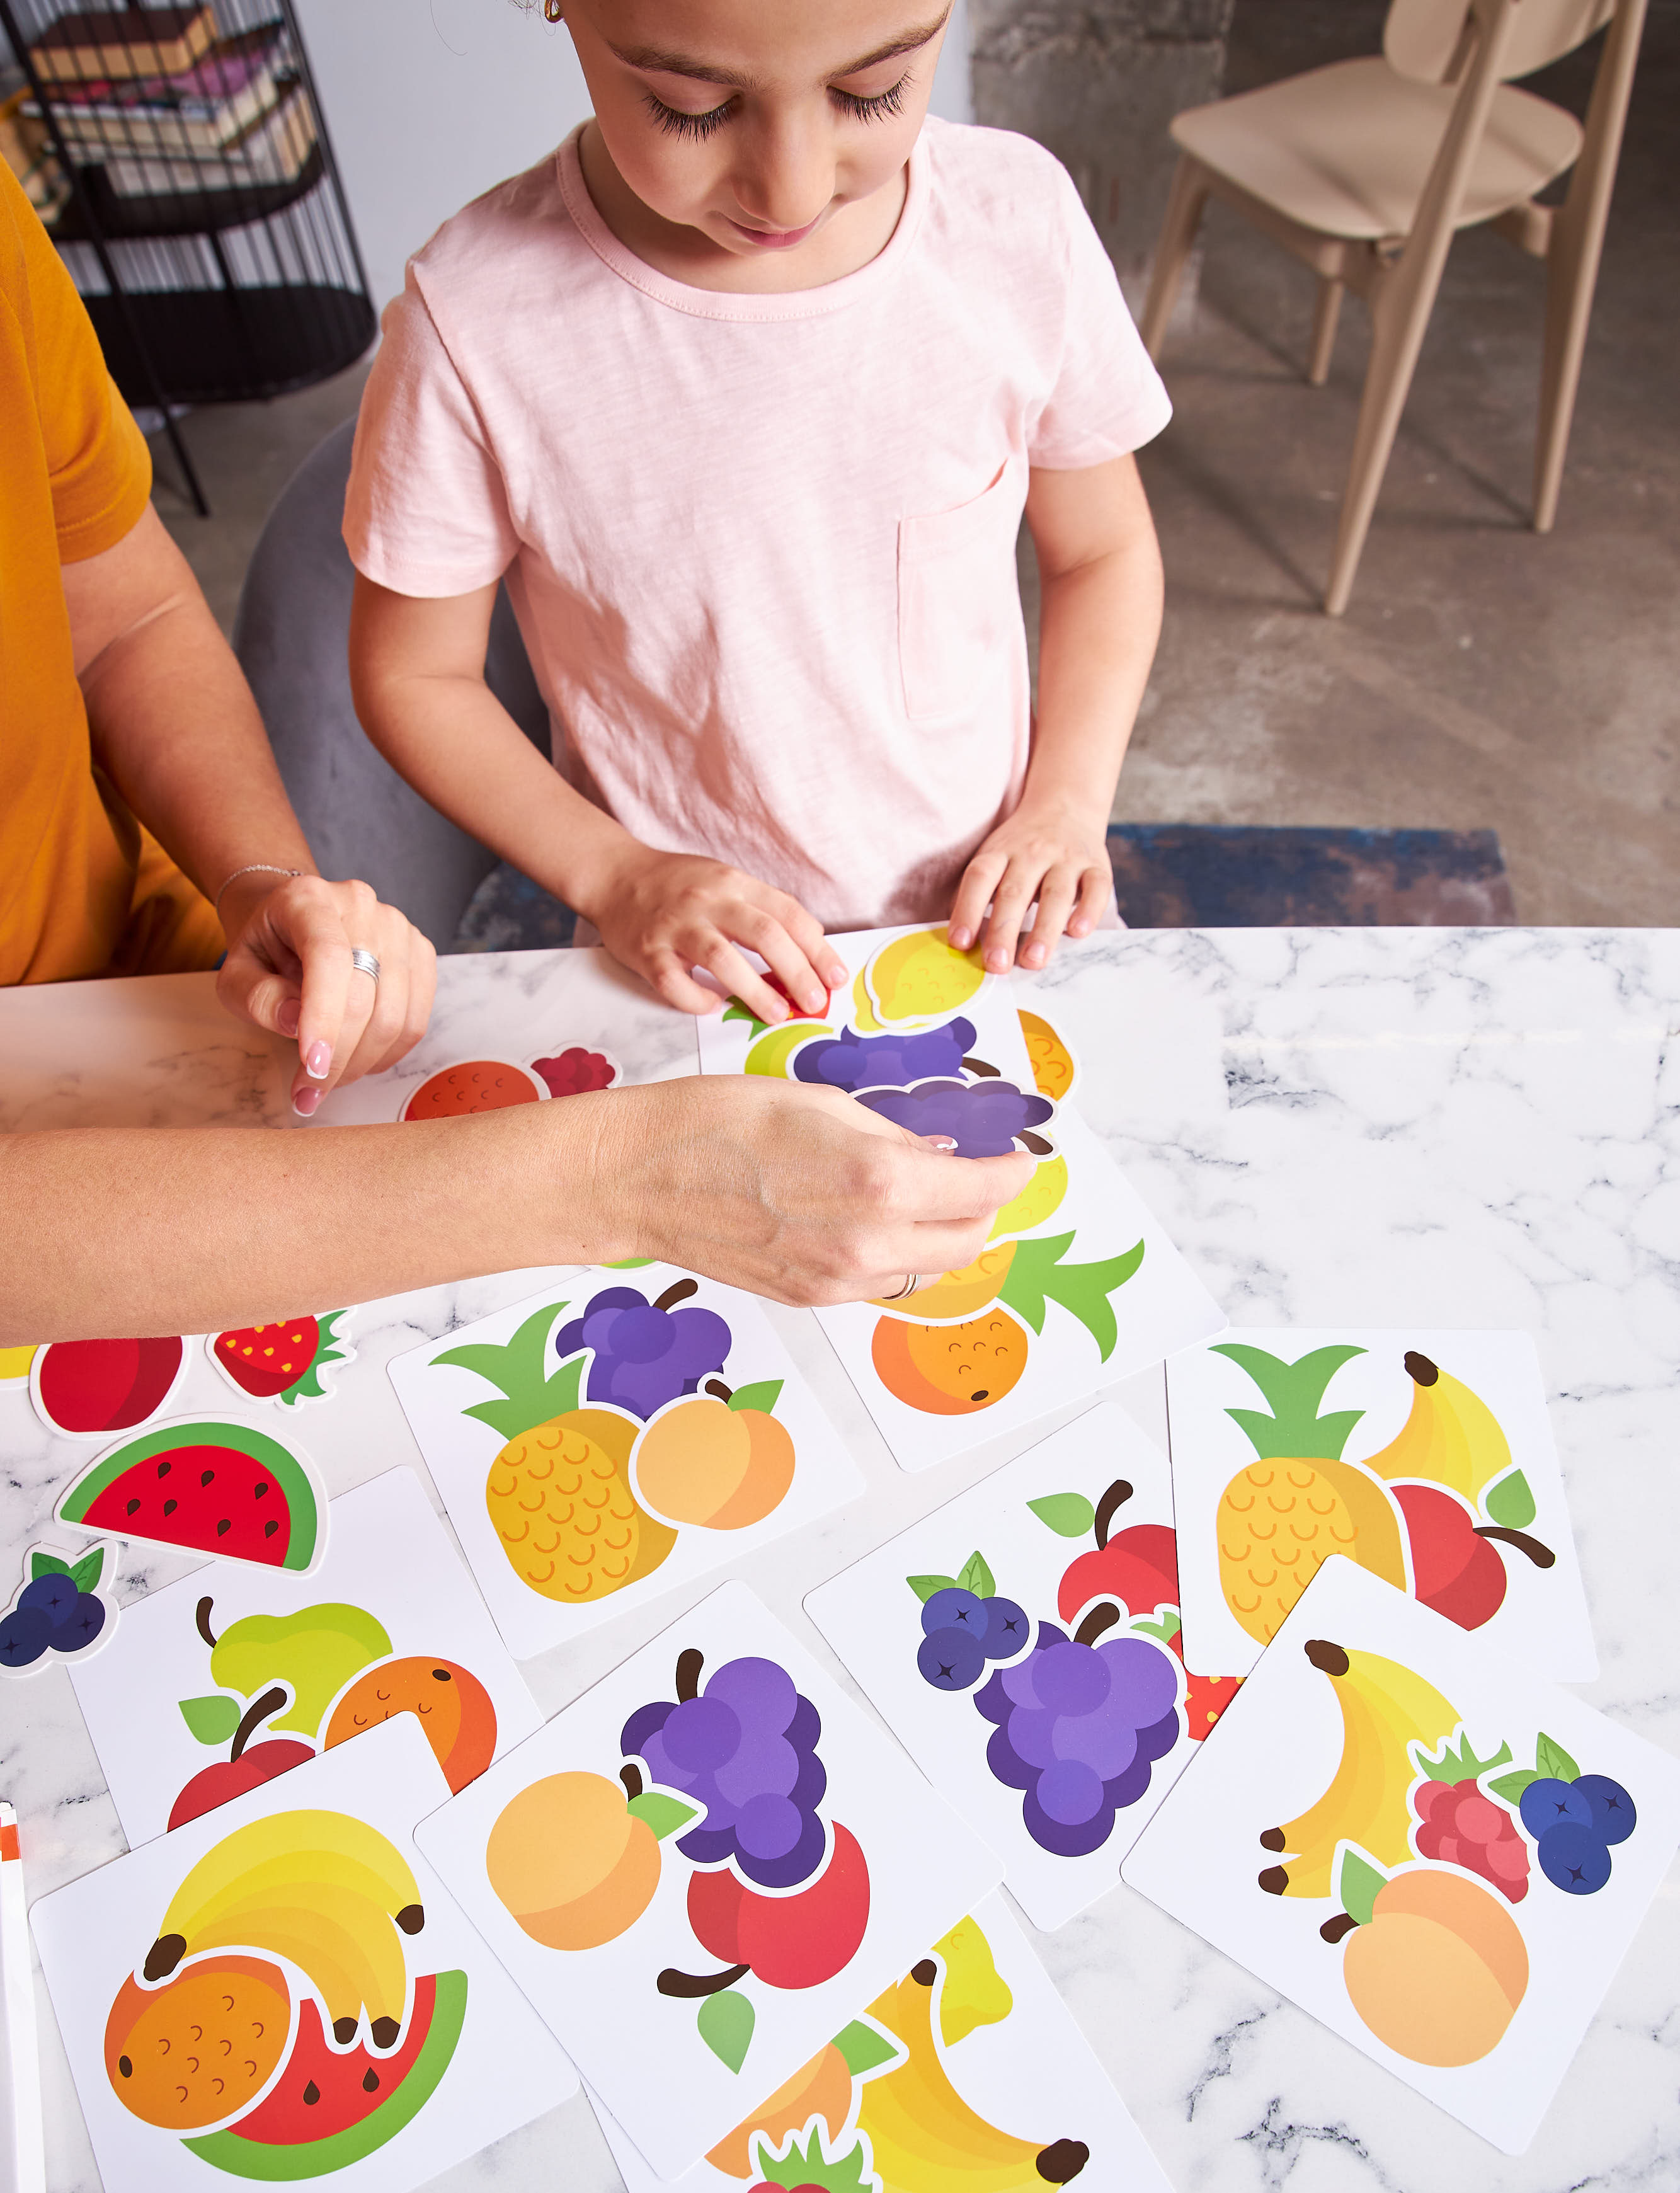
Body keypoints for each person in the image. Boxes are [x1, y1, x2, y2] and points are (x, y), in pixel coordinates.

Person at [0, 156, 1027, 1342]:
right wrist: (616, 1178)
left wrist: (258, 880)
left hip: (160, 986)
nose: (790, 184)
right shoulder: (479, 310)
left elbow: (121, 613)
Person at [345, 0, 1168, 1032]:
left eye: (873, 92)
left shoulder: (1015, 223)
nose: (792, 187)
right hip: (692, 976)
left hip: (997, 931)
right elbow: (414, 674)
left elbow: (1101, 552)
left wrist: (1067, 805)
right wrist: (617, 876)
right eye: (692, 109)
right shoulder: (477, 321)